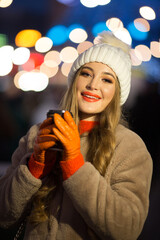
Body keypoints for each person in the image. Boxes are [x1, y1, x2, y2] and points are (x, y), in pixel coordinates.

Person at [0, 31, 152, 240]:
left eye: (107, 80)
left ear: (117, 93)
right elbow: (3, 214)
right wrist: (33, 168)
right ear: (74, 80)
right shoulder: (38, 133)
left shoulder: (129, 146)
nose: (93, 85)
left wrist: (75, 166)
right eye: (86, 73)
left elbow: (127, 229)